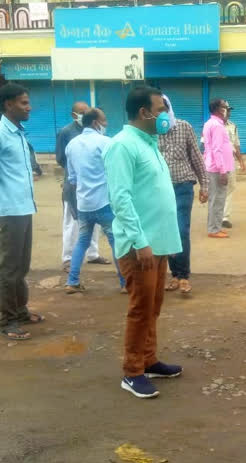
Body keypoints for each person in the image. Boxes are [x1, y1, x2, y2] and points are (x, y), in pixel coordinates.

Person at [105, 86, 183, 399]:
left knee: (154, 306)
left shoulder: (149, 143)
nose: (165, 115)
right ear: (144, 112)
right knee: (141, 309)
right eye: (161, 108)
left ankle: (149, 360)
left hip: (158, 242)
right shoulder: (122, 146)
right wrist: (140, 241)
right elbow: (120, 198)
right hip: (140, 246)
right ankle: (133, 371)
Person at [0, 83, 44, 340]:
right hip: (9, 209)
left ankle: (21, 310)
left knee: (22, 265)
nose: (29, 108)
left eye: (28, 102)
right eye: (23, 103)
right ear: (8, 105)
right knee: (9, 268)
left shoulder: (17, 132)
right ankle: (8, 321)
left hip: (24, 207)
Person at [63, 108, 125, 294]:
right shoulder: (106, 142)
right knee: (116, 242)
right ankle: (125, 282)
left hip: (84, 203)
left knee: (82, 241)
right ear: (96, 123)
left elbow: (72, 179)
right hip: (104, 202)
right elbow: (116, 171)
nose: (106, 124)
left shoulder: (72, 145)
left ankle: (72, 281)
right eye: (104, 120)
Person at [158, 95, 209, 295]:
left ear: (169, 108)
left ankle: (184, 276)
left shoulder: (184, 127)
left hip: (182, 187)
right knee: (166, 231)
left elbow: (196, 157)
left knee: (181, 230)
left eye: (164, 108)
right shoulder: (151, 133)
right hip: (160, 190)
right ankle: (174, 274)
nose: (160, 113)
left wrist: (204, 185)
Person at [56, 101, 109, 272]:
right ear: (74, 115)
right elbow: (61, 158)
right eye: (82, 111)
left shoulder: (98, 136)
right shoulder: (66, 133)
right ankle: (68, 258)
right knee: (72, 222)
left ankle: (93, 254)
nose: (86, 113)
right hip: (74, 186)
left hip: (91, 186)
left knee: (93, 225)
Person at [202, 98, 235, 239]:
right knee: (218, 199)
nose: (226, 109)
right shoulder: (217, 126)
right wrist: (222, 171)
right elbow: (217, 149)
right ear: (218, 109)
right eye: (224, 106)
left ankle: (214, 227)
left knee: (215, 199)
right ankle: (214, 229)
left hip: (213, 166)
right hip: (217, 169)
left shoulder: (210, 123)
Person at [222, 103, 246, 229]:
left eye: (229, 110)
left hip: (229, 161)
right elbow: (204, 145)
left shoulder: (233, 126)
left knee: (230, 187)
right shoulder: (211, 125)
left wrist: (241, 161)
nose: (228, 112)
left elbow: (236, 144)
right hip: (216, 163)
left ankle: (225, 217)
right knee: (217, 189)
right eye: (226, 110)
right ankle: (216, 216)